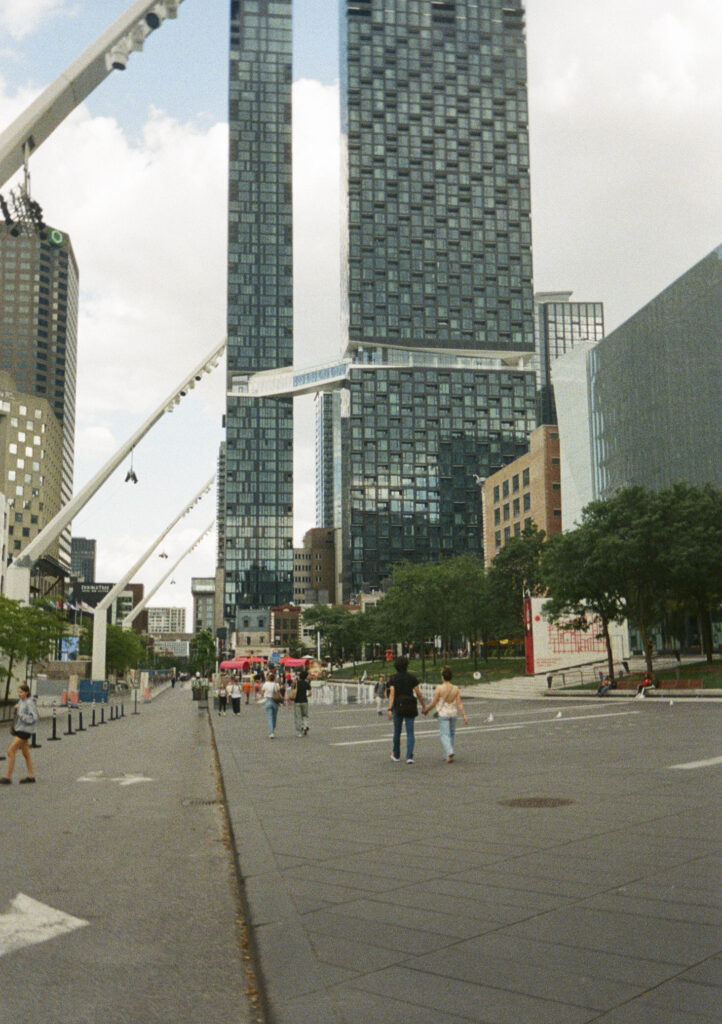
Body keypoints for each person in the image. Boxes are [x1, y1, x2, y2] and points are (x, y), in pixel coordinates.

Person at [387, 655, 427, 764]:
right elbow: (418, 693)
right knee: (410, 732)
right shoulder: (412, 677)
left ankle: (396, 754)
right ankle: (409, 756)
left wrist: (389, 709)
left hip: (397, 706)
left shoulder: (393, 678)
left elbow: (392, 694)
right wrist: (424, 706)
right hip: (410, 706)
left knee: (397, 732)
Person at [423, 666, 468, 763]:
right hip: (453, 713)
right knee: (451, 734)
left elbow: (434, 702)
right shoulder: (455, 688)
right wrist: (464, 715)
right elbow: (459, 703)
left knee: (444, 735)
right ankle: (448, 755)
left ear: (442, 677)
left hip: (443, 714)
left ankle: (449, 752)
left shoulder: (439, 688)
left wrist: (426, 709)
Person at [1, 684, 39, 785]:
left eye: (21, 692)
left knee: (10, 751)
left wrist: (21, 715)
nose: (19, 694)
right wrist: (17, 708)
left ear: (27, 693)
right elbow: (20, 711)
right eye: (18, 692)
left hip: (25, 731)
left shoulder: (29, 702)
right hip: (21, 729)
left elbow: (34, 717)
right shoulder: (21, 701)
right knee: (26, 753)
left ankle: (7, 777)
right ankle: (31, 776)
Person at [292, 668, 312, 736]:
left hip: (297, 701)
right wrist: (306, 695)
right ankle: (305, 726)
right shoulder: (306, 684)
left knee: (298, 716)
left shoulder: (296, 683)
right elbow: (310, 693)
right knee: (305, 715)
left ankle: (300, 731)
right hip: (304, 701)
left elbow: (293, 690)